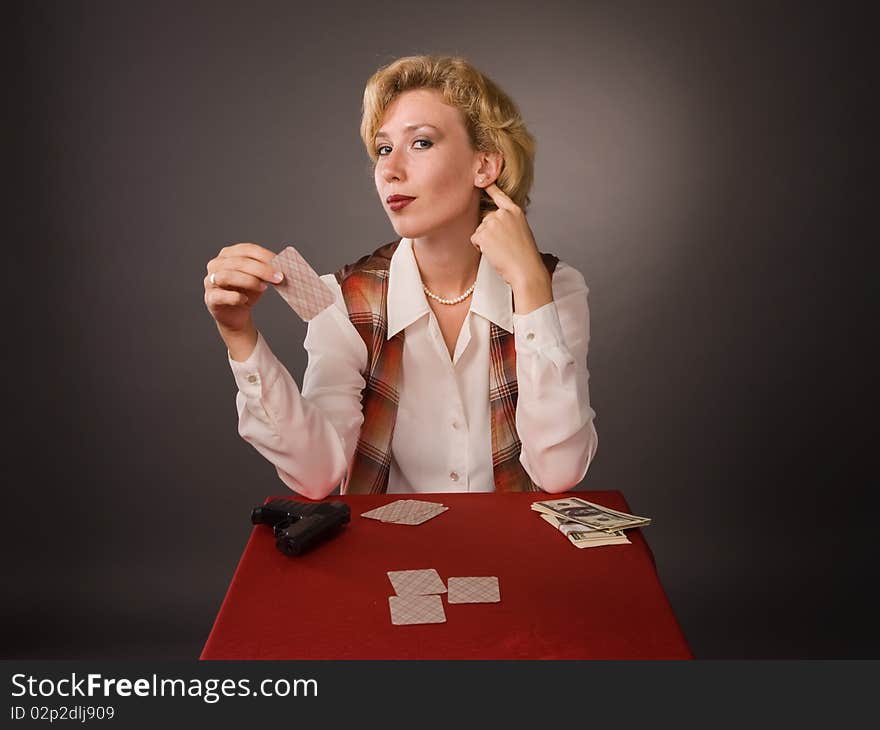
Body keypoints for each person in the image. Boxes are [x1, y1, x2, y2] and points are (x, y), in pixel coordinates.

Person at [203, 55, 598, 499]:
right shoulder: (344, 300)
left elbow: (559, 472)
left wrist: (530, 290)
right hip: (384, 553)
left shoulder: (555, 287)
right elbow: (317, 475)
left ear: (484, 166)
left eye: (422, 143)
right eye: (384, 148)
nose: (390, 170)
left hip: (509, 551)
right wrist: (240, 339)